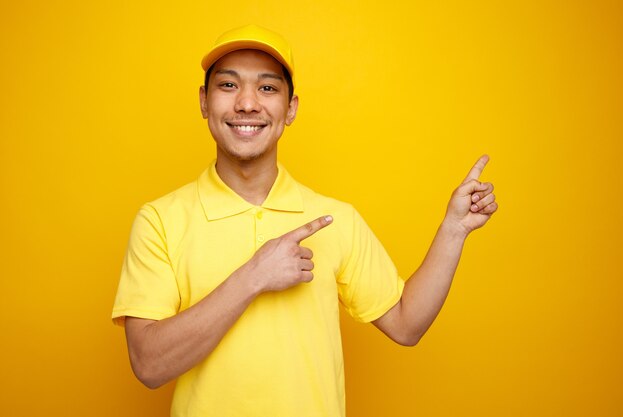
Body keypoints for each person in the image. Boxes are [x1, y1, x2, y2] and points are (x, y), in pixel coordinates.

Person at [112, 24, 498, 417]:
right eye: (228, 86)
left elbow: (406, 323)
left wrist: (454, 229)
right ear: (204, 102)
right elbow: (149, 364)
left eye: (267, 88)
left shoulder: (335, 220)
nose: (247, 103)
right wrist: (255, 275)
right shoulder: (159, 220)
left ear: (291, 108)